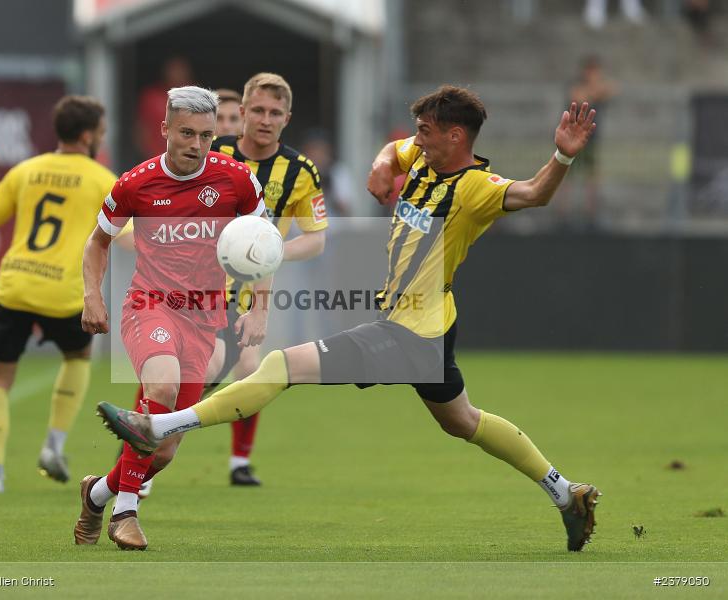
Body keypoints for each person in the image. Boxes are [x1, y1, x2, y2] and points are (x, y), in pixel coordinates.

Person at [98, 85, 604, 552]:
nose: (413, 142)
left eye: (424, 133)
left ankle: (160, 426)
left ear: (455, 136)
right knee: (463, 421)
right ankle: (565, 494)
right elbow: (393, 152)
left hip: (409, 332)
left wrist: (562, 155)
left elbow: (535, 192)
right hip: (432, 326)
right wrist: (385, 164)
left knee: (279, 366)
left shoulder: (474, 188)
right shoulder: (425, 158)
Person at [74, 86, 268, 551]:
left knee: (163, 450)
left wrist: (259, 306)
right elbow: (97, 242)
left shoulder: (237, 180)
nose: (197, 144)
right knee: (160, 387)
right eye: (186, 133)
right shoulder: (135, 183)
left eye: (206, 134)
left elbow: (264, 243)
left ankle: (98, 494)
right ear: (164, 130)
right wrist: (91, 296)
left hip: (204, 319)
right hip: (150, 305)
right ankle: (126, 513)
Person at [123, 75, 328, 488]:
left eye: (274, 113)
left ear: (287, 119)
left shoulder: (302, 171)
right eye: (257, 111)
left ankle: (235, 460)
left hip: (249, 292)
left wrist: (263, 251)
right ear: (242, 112)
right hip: (194, 294)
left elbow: (316, 240)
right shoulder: (211, 153)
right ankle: (139, 452)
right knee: (171, 377)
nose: (264, 120)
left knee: (247, 370)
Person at [0, 96, 116, 493]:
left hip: (15, 286)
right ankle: (54, 446)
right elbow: (131, 236)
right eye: (101, 131)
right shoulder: (103, 179)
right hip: (66, 293)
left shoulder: (25, 171)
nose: (102, 137)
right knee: (79, 357)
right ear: (87, 135)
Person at [564, 55, 618, 228]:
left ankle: (591, 215)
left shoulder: (596, 86)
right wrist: (595, 91)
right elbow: (580, 97)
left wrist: (596, 90)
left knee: (592, 178)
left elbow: (612, 89)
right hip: (571, 140)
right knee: (566, 177)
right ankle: (563, 216)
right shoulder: (577, 86)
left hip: (590, 140)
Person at [135, 57, 194, 159]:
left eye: (180, 70)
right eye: (173, 70)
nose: (176, 74)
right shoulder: (151, 96)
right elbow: (141, 130)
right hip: (156, 157)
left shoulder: (196, 96)